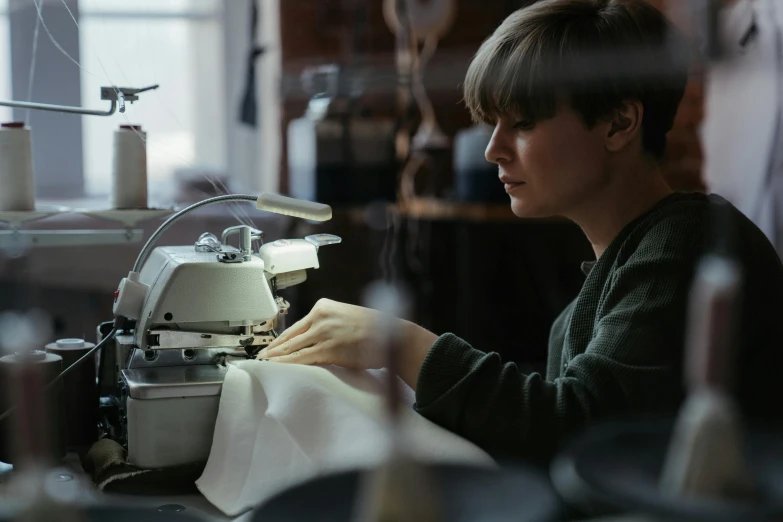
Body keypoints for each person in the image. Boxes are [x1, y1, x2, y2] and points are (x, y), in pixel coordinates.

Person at [259, 0, 783, 466]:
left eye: (524, 123)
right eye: (493, 124)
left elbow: (576, 430)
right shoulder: (591, 300)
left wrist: (400, 344)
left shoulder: (687, 244)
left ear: (620, 123)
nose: (493, 150)